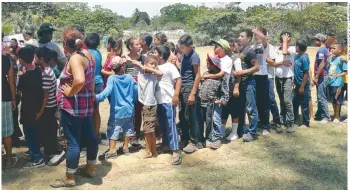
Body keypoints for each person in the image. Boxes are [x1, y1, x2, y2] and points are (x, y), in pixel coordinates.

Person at [50, 28, 98, 188]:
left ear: (65, 44)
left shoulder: (76, 58)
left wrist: (69, 91)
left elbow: (79, 80)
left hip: (73, 107)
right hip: (86, 106)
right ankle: (90, 168)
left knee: (73, 142)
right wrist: (90, 95)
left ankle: (70, 176)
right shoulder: (89, 55)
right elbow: (90, 82)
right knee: (90, 136)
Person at [95, 57, 138, 160]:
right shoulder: (129, 77)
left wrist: (96, 98)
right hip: (129, 109)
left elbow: (107, 91)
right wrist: (134, 102)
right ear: (123, 66)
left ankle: (112, 150)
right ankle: (126, 147)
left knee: (113, 129)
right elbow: (136, 91)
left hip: (117, 111)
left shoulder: (112, 79)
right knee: (128, 128)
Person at [153, 45, 182, 165]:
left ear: (160, 55)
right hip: (158, 101)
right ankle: (166, 145)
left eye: (155, 52)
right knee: (162, 124)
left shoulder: (170, 66)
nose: (153, 53)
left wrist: (175, 95)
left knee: (170, 125)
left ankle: (176, 150)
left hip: (168, 100)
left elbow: (178, 80)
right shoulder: (154, 67)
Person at [17, 46, 45, 168]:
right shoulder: (39, 71)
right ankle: (36, 151)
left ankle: (37, 157)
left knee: (29, 132)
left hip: (28, 108)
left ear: (21, 60)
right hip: (38, 106)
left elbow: (19, 92)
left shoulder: (24, 77)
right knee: (36, 131)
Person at [34, 47, 60, 164]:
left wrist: (40, 111)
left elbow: (46, 96)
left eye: (36, 57)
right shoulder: (48, 70)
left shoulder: (46, 74)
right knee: (50, 130)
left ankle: (52, 153)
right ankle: (50, 150)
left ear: (41, 59)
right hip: (51, 106)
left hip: (48, 107)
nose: (34, 59)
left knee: (48, 131)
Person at [202, 39, 232, 136]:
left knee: (217, 116)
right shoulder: (215, 58)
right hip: (211, 93)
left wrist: (206, 76)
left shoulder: (227, 60)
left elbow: (221, 74)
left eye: (217, 46)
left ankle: (217, 135)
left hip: (222, 88)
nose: (214, 48)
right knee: (210, 116)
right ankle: (211, 135)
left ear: (223, 48)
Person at [233, 29, 259, 142]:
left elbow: (256, 67)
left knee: (251, 108)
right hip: (241, 83)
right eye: (239, 36)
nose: (239, 38)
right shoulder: (241, 51)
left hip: (249, 83)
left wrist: (242, 73)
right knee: (242, 108)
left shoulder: (250, 51)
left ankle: (252, 132)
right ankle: (242, 129)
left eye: (242, 36)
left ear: (249, 38)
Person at [178, 35, 202, 153]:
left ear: (189, 46)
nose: (181, 49)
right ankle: (185, 138)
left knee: (191, 116)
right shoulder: (184, 55)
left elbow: (198, 75)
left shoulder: (194, 56)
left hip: (189, 88)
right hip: (182, 88)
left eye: (183, 47)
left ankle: (194, 141)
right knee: (183, 115)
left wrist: (193, 93)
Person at [199, 55, 229, 149]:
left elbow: (225, 92)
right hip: (203, 102)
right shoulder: (205, 73)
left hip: (214, 103)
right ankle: (207, 138)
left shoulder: (222, 77)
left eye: (208, 63)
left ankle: (216, 139)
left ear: (214, 65)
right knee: (206, 121)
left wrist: (221, 101)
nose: (207, 64)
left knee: (215, 120)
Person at [137, 55, 163, 158]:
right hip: (145, 105)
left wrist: (150, 68)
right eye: (151, 63)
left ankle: (151, 151)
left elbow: (161, 73)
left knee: (149, 130)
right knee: (148, 130)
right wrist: (142, 66)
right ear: (145, 64)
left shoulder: (153, 76)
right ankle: (150, 150)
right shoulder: (141, 73)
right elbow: (134, 62)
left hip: (150, 105)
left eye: (155, 64)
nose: (153, 66)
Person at [250, 27, 272, 137]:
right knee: (256, 103)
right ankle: (258, 124)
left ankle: (265, 127)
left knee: (264, 103)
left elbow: (264, 38)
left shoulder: (264, 46)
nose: (255, 35)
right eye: (254, 34)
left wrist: (256, 30)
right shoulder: (251, 47)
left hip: (262, 77)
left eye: (258, 33)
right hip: (253, 77)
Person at [125, 37, 146, 147]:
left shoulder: (143, 58)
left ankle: (136, 133)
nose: (139, 46)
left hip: (140, 89)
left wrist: (138, 64)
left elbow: (147, 71)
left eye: (139, 44)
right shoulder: (124, 59)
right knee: (129, 112)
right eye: (137, 44)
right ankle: (129, 133)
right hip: (128, 90)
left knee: (138, 111)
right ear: (130, 46)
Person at [275, 32, 295, 133]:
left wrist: (285, 41)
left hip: (287, 77)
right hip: (278, 77)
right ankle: (282, 119)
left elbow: (284, 52)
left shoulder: (292, 49)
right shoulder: (276, 50)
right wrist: (282, 62)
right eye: (282, 39)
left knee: (287, 100)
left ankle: (290, 122)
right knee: (281, 100)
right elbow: (273, 63)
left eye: (287, 39)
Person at [223, 37, 243, 140]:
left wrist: (236, 87)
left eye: (229, 46)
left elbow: (239, 74)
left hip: (232, 88)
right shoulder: (221, 57)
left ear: (232, 47)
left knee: (234, 110)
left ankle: (234, 132)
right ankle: (222, 131)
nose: (227, 48)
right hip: (224, 89)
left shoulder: (235, 58)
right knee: (224, 110)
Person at [85, 33, 104, 137]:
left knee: (88, 111)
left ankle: (89, 134)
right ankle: (96, 133)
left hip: (90, 83)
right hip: (99, 82)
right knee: (96, 110)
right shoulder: (98, 53)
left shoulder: (86, 53)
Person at [312, 33, 332, 124]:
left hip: (322, 76)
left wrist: (316, 76)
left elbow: (322, 64)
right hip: (323, 75)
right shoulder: (325, 50)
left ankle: (326, 117)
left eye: (315, 40)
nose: (314, 42)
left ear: (319, 40)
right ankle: (319, 114)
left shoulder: (321, 51)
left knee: (321, 96)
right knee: (319, 95)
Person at [2, 54, 17, 168]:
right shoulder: (5, 59)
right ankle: (9, 160)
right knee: (6, 132)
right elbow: (11, 80)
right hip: (4, 96)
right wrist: (13, 98)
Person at [327, 43, 347, 123]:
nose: (331, 50)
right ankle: (334, 114)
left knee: (337, 100)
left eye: (334, 48)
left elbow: (346, 72)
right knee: (332, 100)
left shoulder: (341, 59)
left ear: (340, 50)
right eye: (331, 48)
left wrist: (338, 75)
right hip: (330, 82)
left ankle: (337, 116)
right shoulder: (331, 58)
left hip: (338, 83)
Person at [292, 39, 311, 129]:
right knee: (295, 102)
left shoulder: (304, 57)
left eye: (296, 46)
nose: (295, 47)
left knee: (304, 104)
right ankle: (296, 119)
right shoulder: (296, 56)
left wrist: (302, 86)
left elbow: (306, 73)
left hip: (303, 85)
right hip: (296, 84)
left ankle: (306, 122)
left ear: (299, 47)